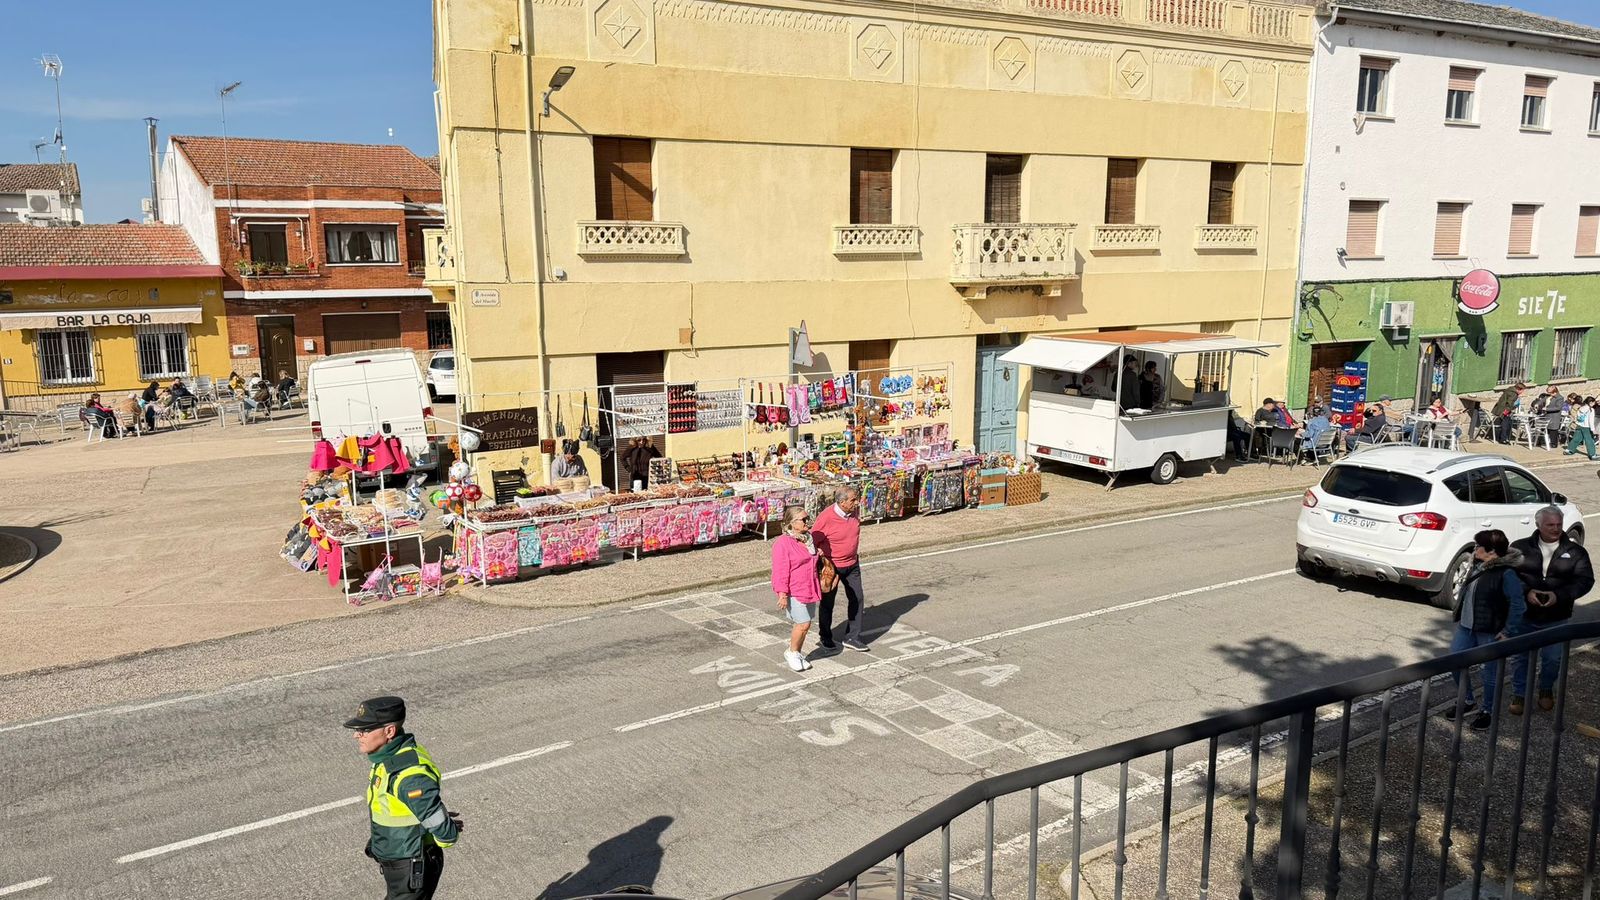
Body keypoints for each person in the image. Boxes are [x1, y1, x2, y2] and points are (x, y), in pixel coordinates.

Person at [344, 696, 463, 900]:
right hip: (397, 859)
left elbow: (446, 834)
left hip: (410, 865)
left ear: (389, 731)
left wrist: (441, 827)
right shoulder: (387, 758)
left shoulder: (408, 775)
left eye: (364, 730)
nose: (357, 735)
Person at [1509, 507, 1595, 714]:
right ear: (1538, 525)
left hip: (1556, 617)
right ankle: (1519, 694)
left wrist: (1560, 596)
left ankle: (1546, 688)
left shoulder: (1576, 552)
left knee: (1552, 659)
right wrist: (1526, 592)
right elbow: (1507, 576)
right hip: (1524, 616)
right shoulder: (1519, 548)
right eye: (1550, 525)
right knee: (1520, 657)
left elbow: (1585, 581)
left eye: (1558, 524)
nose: (1556, 529)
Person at [1447, 530, 1525, 730]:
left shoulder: (1506, 573)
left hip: (1490, 630)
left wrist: (1508, 631)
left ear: (1491, 552)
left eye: (1478, 546)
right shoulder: (1477, 565)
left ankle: (1487, 710)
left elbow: (1518, 604)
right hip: (1467, 627)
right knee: (1455, 661)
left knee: (1489, 673)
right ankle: (1467, 700)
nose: (1475, 549)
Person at [814, 485, 869, 654]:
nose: (856, 502)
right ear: (842, 502)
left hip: (852, 564)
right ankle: (825, 636)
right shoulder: (826, 518)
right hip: (832, 566)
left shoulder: (854, 512)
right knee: (827, 602)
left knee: (857, 598)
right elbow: (813, 542)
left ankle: (852, 636)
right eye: (853, 500)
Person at [770, 505, 821, 672]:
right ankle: (792, 652)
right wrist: (782, 593)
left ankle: (797, 651)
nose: (807, 522)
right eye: (803, 519)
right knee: (803, 624)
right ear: (791, 523)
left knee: (806, 624)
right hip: (795, 588)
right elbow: (780, 570)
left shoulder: (808, 538)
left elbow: (811, 560)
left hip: (809, 585)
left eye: (808, 518)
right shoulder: (783, 544)